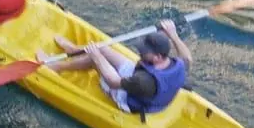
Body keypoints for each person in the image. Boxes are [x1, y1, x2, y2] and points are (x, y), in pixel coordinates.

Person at [46, 18, 190, 118]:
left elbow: (113, 81)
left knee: (94, 59)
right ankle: (73, 50)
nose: (141, 52)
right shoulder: (177, 64)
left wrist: (97, 57)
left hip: (128, 99)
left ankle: (56, 66)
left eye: (145, 52)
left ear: (158, 57)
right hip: (137, 80)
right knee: (103, 47)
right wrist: (174, 35)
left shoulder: (144, 81)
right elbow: (188, 58)